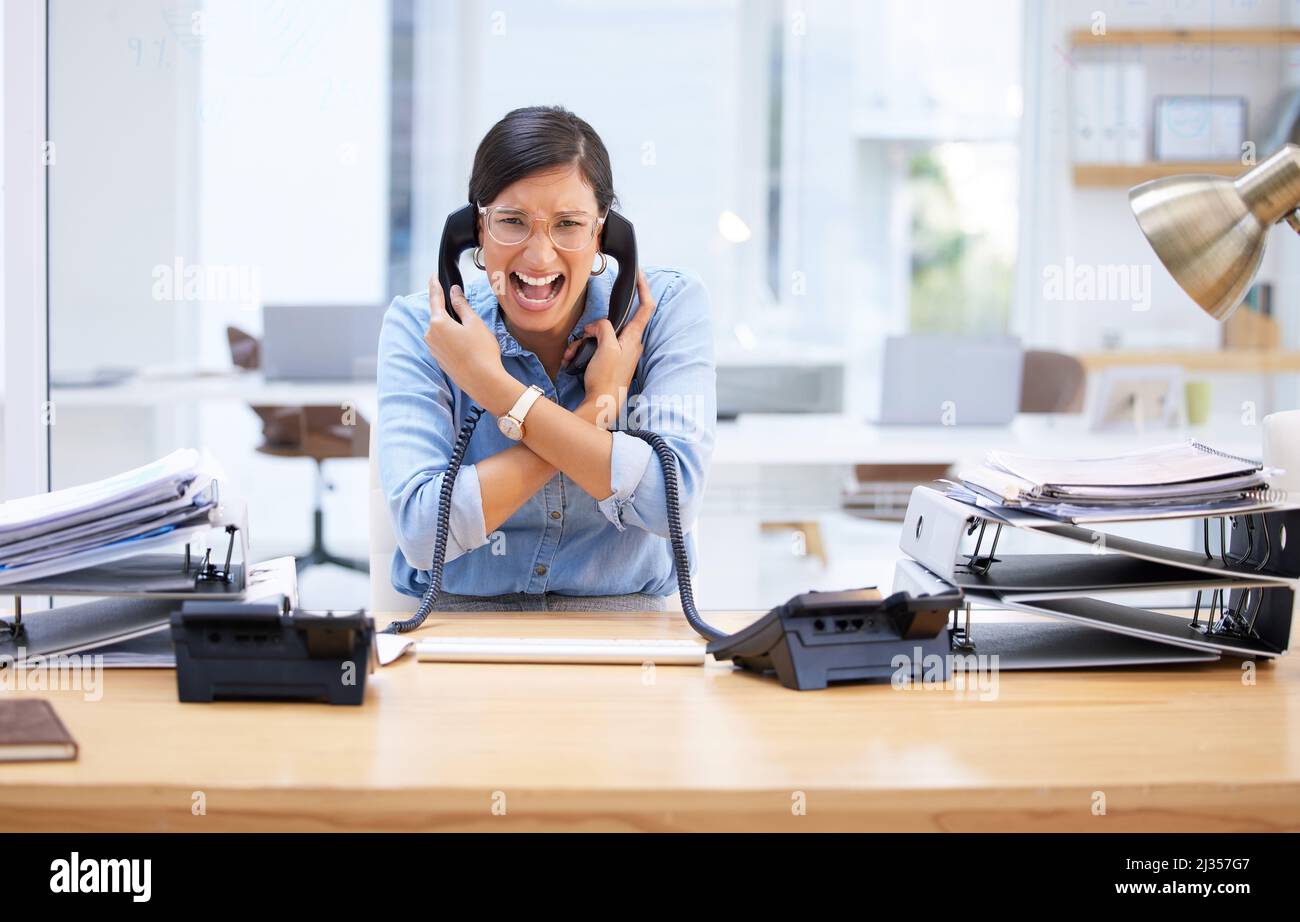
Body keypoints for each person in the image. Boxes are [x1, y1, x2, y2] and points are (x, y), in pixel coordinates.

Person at [377, 106, 716, 612]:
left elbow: (672, 504)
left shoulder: (665, 308)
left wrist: (495, 390)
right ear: (474, 232)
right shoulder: (424, 328)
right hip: (460, 627)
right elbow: (425, 534)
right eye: (512, 222)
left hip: (624, 627)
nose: (539, 257)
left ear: (604, 235)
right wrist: (595, 410)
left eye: (568, 224)